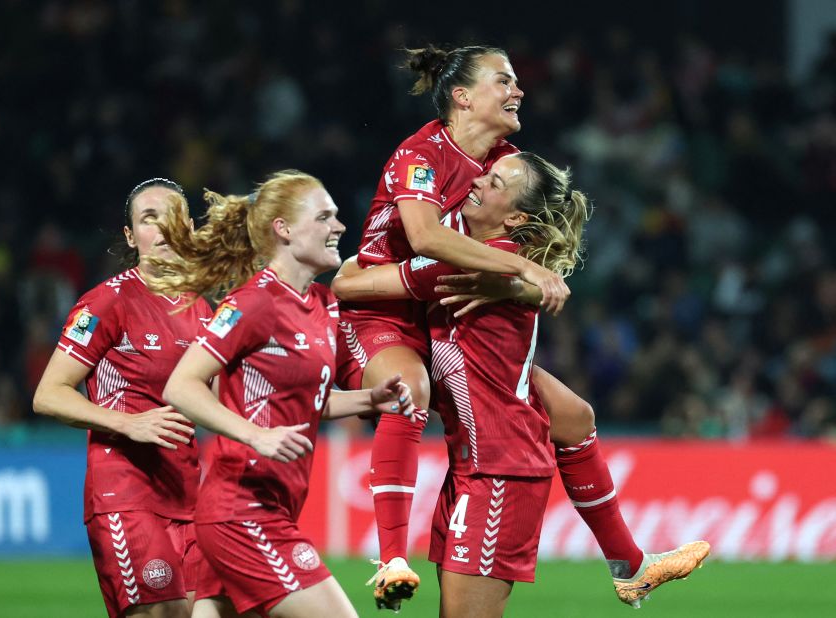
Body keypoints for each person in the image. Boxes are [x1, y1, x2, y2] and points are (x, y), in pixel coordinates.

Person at [339, 44, 708, 611]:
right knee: (406, 394)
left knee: (574, 415)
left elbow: (526, 229)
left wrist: (522, 278)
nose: (519, 91)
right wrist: (523, 272)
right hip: (393, 312)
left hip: (456, 359)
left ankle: (630, 565)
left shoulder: (501, 164)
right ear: (462, 97)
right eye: (504, 81)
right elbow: (418, 244)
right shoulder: (422, 155)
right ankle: (391, 555)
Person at [149, 171, 414, 618]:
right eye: (324, 216)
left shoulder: (323, 304)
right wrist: (254, 434)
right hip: (242, 509)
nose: (339, 226)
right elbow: (181, 385)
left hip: (274, 504)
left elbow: (308, 401)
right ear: (284, 230)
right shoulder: (253, 303)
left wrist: (369, 400)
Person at [33, 178, 209, 618]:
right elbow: (48, 394)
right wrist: (130, 422)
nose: (162, 228)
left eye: (171, 216)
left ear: (189, 226)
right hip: (125, 491)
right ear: (132, 237)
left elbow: (227, 403)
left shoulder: (203, 309)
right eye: (148, 219)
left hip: (190, 496)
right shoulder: (107, 303)